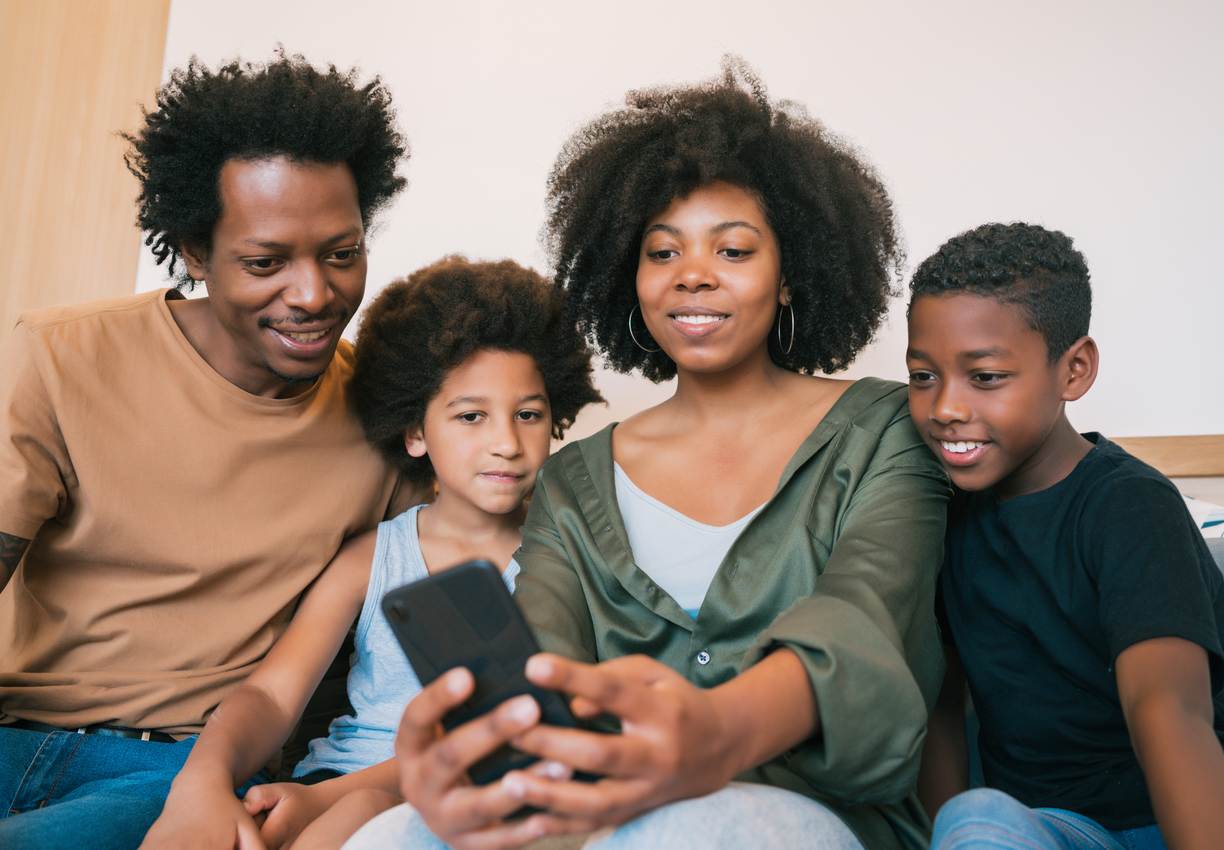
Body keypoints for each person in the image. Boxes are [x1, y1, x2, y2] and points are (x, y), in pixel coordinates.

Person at [349, 59, 951, 850]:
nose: (693, 276)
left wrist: (713, 731)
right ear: (626, 278)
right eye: (662, 253)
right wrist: (479, 760)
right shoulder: (572, 479)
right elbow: (542, 660)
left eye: (733, 251)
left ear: (791, 274)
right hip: (603, 808)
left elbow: (863, 622)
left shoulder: (885, 431)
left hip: (815, 812)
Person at [0, 53, 413, 849]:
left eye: (341, 252)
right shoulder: (62, 358)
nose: (313, 294)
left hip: (181, 771)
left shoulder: (391, 415)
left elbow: (451, 648)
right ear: (195, 250)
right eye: (266, 262)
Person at [141, 257, 602, 850]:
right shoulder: (373, 557)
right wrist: (204, 779)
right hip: (331, 784)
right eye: (470, 416)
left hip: (450, 793)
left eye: (529, 415)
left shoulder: (567, 560)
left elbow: (515, 735)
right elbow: (273, 694)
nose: (507, 443)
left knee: (365, 806)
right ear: (415, 433)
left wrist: (326, 802)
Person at [905, 223, 1224, 849]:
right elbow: (938, 712)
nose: (944, 406)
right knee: (975, 823)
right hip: (1067, 824)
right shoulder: (936, 516)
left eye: (987, 376)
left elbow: (1167, 710)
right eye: (923, 376)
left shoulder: (1130, 503)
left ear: (1073, 370)